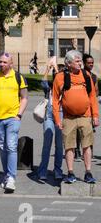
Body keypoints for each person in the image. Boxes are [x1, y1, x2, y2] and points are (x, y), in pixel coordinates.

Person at [52, 50, 98, 184]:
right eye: (77, 61)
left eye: (80, 61)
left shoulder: (86, 75)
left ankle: (88, 172)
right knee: (69, 146)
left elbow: (92, 97)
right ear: (68, 63)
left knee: (87, 145)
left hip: (85, 116)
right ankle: (70, 173)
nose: (80, 63)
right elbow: (55, 100)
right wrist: (57, 119)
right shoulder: (60, 77)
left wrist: (95, 115)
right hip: (68, 118)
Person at [0, 52, 28, 193]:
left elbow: (24, 98)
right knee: (3, 147)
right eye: (0, 62)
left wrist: (19, 115)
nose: (1, 64)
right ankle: (6, 174)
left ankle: (11, 178)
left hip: (13, 118)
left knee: (11, 146)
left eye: (4, 62)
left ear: (11, 63)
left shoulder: (18, 77)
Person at [36, 59, 64, 181]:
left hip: (61, 116)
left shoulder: (66, 86)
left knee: (59, 145)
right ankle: (43, 171)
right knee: (46, 144)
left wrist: (57, 69)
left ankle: (58, 170)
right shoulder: (49, 88)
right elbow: (43, 82)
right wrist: (48, 68)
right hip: (49, 117)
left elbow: (63, 85)